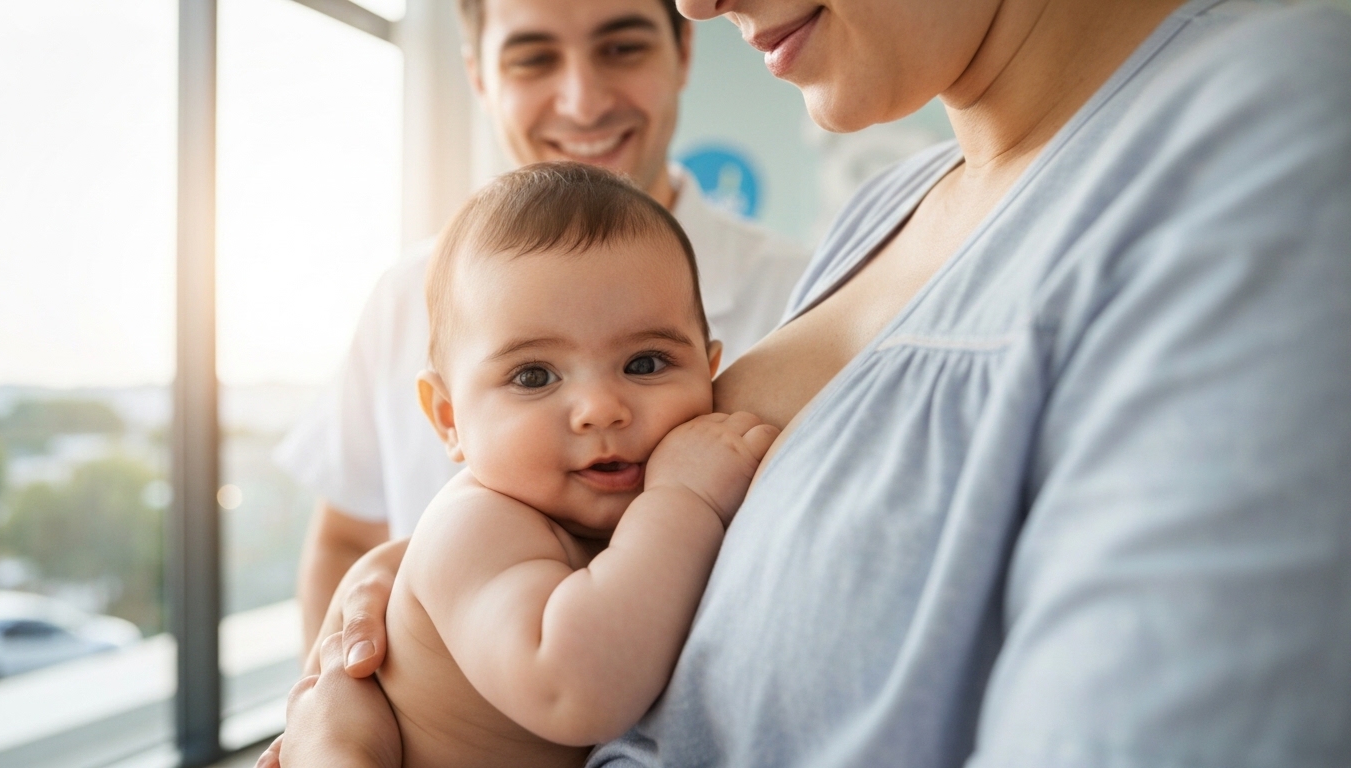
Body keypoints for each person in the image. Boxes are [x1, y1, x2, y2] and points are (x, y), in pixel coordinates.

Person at [267, 0, 1351, 766]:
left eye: (649, 360)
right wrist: (412, 591)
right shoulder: (885, 210)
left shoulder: (1270, 128)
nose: (699, 1)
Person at [274, 0, 810, 657]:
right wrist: (327, 702)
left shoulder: (809, 295)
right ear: (478, 77)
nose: (583, 103)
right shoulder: (404, 295)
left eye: (622, 49)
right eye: (533, 59)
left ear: (684, 55)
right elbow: (348, 536)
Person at [364, 162, 775, 767]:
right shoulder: (473, 526)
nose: (600, 410)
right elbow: (574, 690)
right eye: (533, 376)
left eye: (646, 363)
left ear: (711, 370)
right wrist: (682, 499)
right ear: (450, 420)